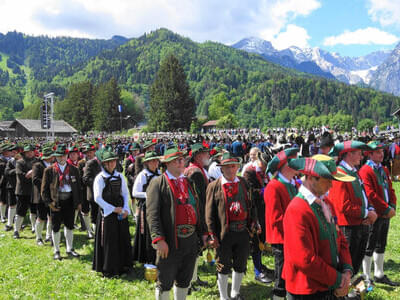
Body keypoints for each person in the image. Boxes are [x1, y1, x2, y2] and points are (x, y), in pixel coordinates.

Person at [283, 157, 355, 299]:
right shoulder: (297, 209)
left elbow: (339, 238)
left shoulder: (325, 202)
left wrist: (346, 270)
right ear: (311, 177)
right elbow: (305, 259)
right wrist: (338, 279)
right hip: (308, 290)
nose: (331, 185)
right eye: (327, 180)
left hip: (327, 284)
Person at [146, 147, 207, 300]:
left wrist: (204, 233)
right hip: (170, 241)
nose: (181, 163)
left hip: (190, 240)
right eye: (177, 160)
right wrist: (158, 239)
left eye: (182, 159)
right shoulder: (157, 183)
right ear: (167, 163)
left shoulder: (189, 181)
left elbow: (198, 208)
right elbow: (152, 214)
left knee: (184, 280)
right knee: (165, 280)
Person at [328, 141, 378, 299]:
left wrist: (370, 210)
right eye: (358, 153)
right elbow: (343, 205)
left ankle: (351, 292)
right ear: (349, 154)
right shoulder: (340, 173)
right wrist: (366, 213)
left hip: (359, 224)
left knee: (355, 263)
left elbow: (363, 196)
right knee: (346, 265)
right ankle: (342, 294)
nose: (361, 156)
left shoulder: (353, 171)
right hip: (348, 227)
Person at [206, 152, 257, 300]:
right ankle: (224, 296)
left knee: (241, 262)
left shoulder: (244, 183)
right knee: (223, 264)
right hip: (224, 233)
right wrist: (211, 234)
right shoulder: (214, 187)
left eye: (233, 166)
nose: (230, 170)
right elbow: (209, 213)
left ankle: (235, 292)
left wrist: (254, 221)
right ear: (222, 169)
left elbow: (252, 205)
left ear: (237, 167)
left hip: (243, 231)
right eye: (227, 167)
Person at [359, 141, 398, 287]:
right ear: (370, 154)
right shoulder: (365, 171)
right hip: (376, 214)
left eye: (382, 151)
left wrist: (392, 205)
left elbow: (390, 189)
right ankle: (366, 275)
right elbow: (370, 195)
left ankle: (379, 273)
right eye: (378, 152)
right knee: (370, 244)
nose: (382, 154)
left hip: (385, 214)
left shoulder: (383, 169)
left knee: (381, 243)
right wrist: (386, 209)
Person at [264, 148, 299, 299]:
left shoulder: (293, 184)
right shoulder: (274, 186)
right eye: (294, 161)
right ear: (285, 165)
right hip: (282, 238)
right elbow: (276, 218)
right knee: (281, 278)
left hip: (294, 236)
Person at [92, 147, 133, 277]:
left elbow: (125, 194)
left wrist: (126, 209)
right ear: (104, 163)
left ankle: (123, 265)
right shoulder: (100, 178)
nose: (111, 164)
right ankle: (109, 268)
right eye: (108, 162)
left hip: (121, 211)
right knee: (109, 240)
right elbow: (97, 198)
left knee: (122, 238)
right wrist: (112, 209)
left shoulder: (120, 176)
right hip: (107, 213)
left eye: (113, 161)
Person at [41, 144, 81, 260]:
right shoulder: (49, 170)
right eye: (59, 156)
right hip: (56, 202)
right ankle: (56, 250)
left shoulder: (74, 169)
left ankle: (70, 248)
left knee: (69, 226)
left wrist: (78, 202)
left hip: (69, 201)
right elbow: (44, 190)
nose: (62, 158)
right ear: (55, 156)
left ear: (66, 155)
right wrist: (49, 203)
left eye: (63, 155)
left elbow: (78, 187)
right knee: (56, 227)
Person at [243, 151, 274, 285]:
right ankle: (257, 271)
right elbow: (248, 191)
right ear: (259, 162)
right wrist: (262, 191)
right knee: (256, 239)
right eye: (264, 165)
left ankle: (260, 265)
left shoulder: (264, 172)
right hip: (254, 211)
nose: (265, 168)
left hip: (264, 209)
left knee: (262, 238)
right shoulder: (249, 171)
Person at [184, 143, 210, 290]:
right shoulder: (196, 173)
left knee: (196, 251)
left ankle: (193, 278)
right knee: (194, 250)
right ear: (198, 156)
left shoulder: (195, 170)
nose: (208, 156)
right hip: (197, 215)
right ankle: (190, 281)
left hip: (195, 215)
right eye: (206, 154)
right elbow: (200, 199)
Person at [132, 151, 161, 265]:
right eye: (152, 161)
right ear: (147, 163)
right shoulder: (142, 175)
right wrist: (148, 194)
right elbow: (135, 192)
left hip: (158, 206)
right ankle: (147, 257)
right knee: (147, 232)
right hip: (146, 207)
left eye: (156, 161)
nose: (155, 163)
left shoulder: (159, 173)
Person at [14, 144, 38, 239]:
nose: (30, 153)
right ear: (25, 153)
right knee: (20, 212)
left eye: (31, 152)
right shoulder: (20, 162)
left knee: (34, 211)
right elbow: (20, 175)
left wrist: (31, 174)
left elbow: (39, 174)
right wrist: (31, 175)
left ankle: (34, 228)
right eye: (28, 152)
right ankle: (16, 230)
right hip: (22, 191)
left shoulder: (37, 161)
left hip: (34, 190)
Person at [32, 147, 54, 245]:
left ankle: (49, 236)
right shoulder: (38, 165)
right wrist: (48, 184)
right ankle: (39, 237)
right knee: (41, 217)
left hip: (52, 195)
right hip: (41, 195)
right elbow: (35, 179)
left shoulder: (54, 165)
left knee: (51, 216)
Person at [4, 144, 18, 232]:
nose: (14, 153)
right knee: (12, 205)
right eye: (13, 151)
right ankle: (9, 223)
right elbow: (7, 172)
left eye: (16, 151)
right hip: (11, 185)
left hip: (22, 186)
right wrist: (17, 170)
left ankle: (18, 223)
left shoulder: (23, 161)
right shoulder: (10, 161)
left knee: (19, 206)